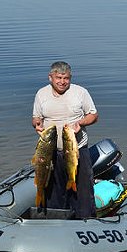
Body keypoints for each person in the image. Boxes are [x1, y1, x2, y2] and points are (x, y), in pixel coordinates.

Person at [32, 61, 98, 218]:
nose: (62, 82)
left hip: (77, 150)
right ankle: (57, 219)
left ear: (70, 78)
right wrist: (36, 123)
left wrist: (80, 123)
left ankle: (85, 220)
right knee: (54, 190)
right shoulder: (41, 94)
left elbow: (93, 115)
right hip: (51, 152)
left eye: (66, 78)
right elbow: (36, 117)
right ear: (50, 77)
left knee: (83, 190)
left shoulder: (80, 92)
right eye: (59, 78)